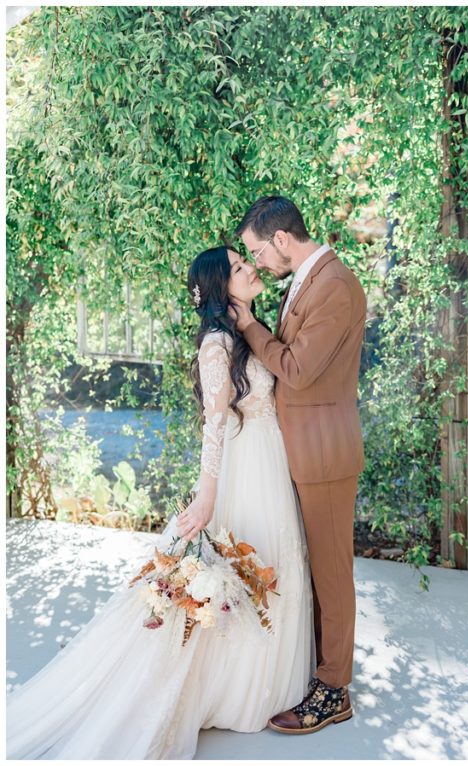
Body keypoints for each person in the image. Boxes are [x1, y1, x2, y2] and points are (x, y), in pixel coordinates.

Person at [6, 247, 313, 758]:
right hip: (242, 467)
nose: (250, 269)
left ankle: (262, 684)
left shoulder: (249, 332)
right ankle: (224, 688)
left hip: (272, 462)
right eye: (239, 268)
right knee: (238, 564)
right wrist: (207, 495)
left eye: (246, 262)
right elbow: (215, 424)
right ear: (221, 288)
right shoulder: (216, 344)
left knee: (276, 563)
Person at [230, 196, 366, 734]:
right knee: (314, 567)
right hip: (302, 447)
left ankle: (334, 690)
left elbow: (298, 368)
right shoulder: (308, 280)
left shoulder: (334, 285)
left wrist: (246, 326)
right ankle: (320, 667)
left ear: (282, 240)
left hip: (325, 451)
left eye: (258, 252)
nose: (258, 263)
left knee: (332, 573)